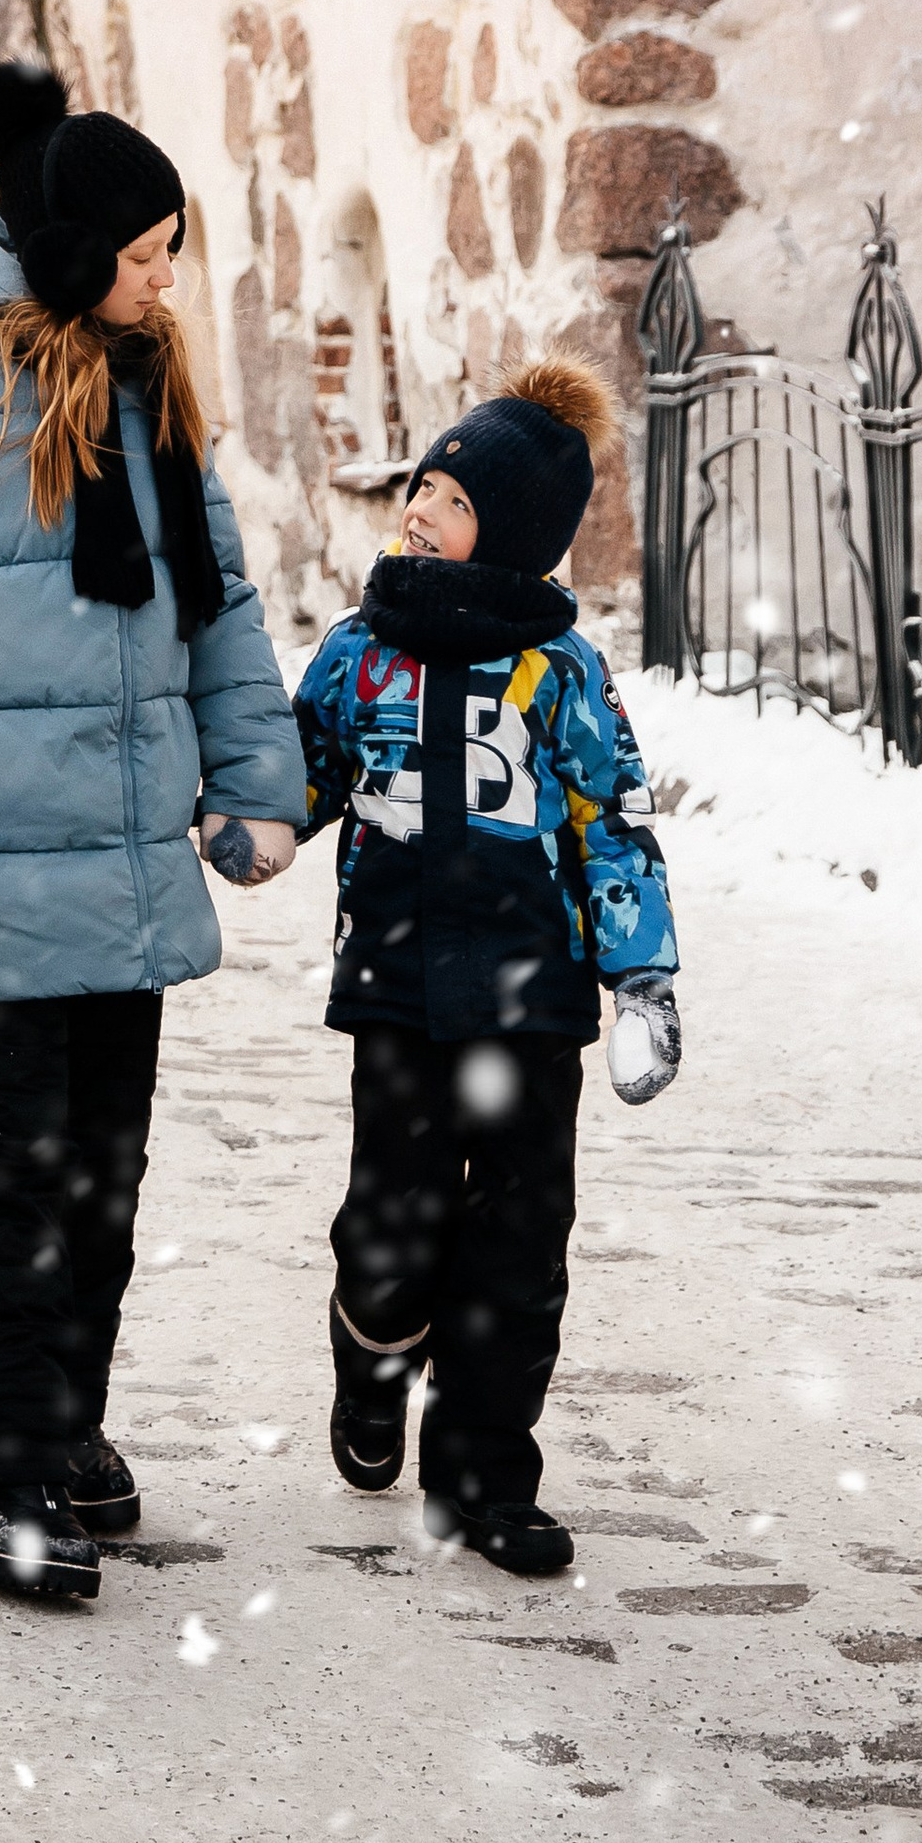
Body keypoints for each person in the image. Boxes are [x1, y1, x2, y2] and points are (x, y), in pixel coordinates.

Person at [0, 62, 304, 1606]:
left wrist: (261, 781)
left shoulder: (156, 398)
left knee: (107, 1168)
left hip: (131, 853)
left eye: (169, 254)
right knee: (16, 1165)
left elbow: (219, 618)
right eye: (146, 255)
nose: (164, 283)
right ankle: (1, 1470)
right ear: (77, 251)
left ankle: (67, 1424)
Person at [293, 361, 682, 1577]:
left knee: (521, 1238)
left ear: (509, 534)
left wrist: (643, 980)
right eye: (424, 483)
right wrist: (246, 825)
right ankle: (371, 1356)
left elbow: (612, 824)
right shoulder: (360, 651)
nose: (422, 506)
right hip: (398, 989)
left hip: (530, 998)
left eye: (454, 499)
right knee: (391, 1225)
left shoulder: (561, 673)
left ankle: (480, 1476)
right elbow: (300, 773)